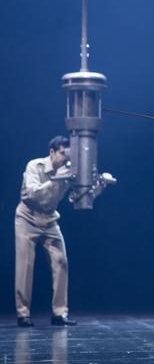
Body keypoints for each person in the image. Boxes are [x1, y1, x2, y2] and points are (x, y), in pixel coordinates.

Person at [15, 135, 77, 326]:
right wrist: (57, 179)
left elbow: (78, 193)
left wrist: (98, 183)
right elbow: (33, 192)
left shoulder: (68, 170)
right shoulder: (35, 166)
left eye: (69, 156)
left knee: (61, 262)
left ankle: (60, 313)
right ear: (52, 152)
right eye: (62, 154)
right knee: (25, 266)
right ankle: (23, 314)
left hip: (50, 219)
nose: (66, 159)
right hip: (27, 217)